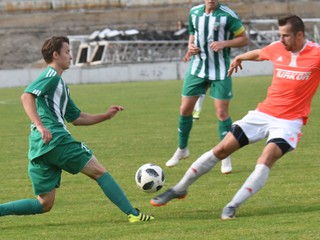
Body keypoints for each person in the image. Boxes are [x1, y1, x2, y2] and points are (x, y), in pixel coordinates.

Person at [151, 15, 320, 219]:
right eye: (280, 35)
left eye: (285, 36)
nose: (281, 39)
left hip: (288, 123)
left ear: (299, 35)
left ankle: (232, 205)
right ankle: (179, 188)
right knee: (221, 149)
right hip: (263, 113)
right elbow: (260, 53)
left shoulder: (316, 54)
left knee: (266, 157)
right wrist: (240, 57)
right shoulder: (278, 47)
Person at [0, 36, 154, 223]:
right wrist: (41, 126)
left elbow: (77, 118)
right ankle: (134, 214)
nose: (71, 56)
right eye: (67, 52)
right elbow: (26, 96)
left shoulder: (60, 85)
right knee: (99, 172)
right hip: (56, 139)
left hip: (40, 146)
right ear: (55, 55)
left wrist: (105, 115)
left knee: (44, 204)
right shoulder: (51, 76)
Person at [166, 0, 249, 175]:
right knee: (185, 109)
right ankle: (182, 149)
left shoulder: (228, 15)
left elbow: (244, 39)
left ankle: (225, 156)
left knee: (221, 113)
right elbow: (192, 32)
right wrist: (190, 46)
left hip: (220, 70)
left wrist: (224, 44)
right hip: (197, 68)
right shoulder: (194, 12)